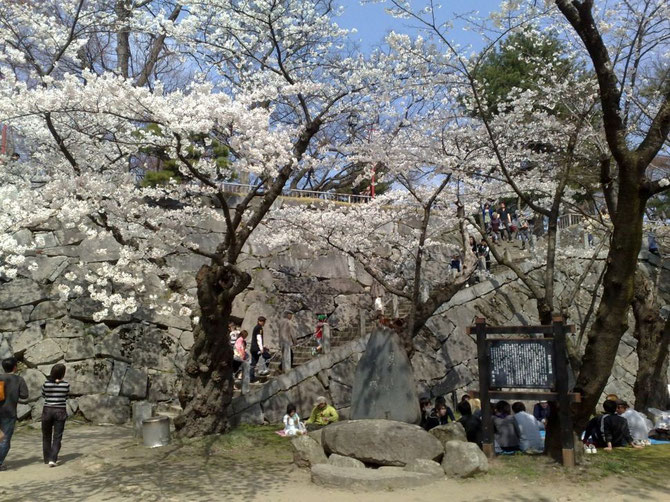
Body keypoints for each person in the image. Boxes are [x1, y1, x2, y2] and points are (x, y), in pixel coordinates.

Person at [0, 357, 29, 471]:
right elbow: (24, 395)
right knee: (5, 439)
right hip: (9, 412)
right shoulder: (18, 380)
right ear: (15, 367)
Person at [42, 363, 70, 467]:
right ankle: (53, 459)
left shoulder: (46, 383)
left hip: (47, 410)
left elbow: (43, 394)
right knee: (57, 436)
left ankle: (46, 458)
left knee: (46, 436)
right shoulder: (66, 384)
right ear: (63, 374)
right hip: (60, 410)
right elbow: (66, 396)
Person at [250, 316, 268, 381]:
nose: (264, 323)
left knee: (253, 363)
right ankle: (263, 371)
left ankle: (251, 377)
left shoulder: (256, 327)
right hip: (256, 348)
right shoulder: (259, 328)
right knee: (266, 357)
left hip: (253, 348)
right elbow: (259, 338)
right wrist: (261, 348)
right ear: (261, 321)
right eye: (264, 322)